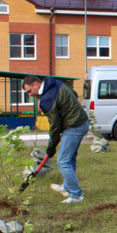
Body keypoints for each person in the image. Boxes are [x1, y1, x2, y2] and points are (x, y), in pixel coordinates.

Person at [22, 75, 89, 203]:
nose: (30, 95)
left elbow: (55, 125)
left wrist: (51, 147)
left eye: (29, 91)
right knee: (69, 158)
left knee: (63, 161)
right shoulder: (55, 83)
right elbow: (73, 94)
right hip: (79, 121)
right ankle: (68, 187)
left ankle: (76, 195)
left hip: (75, 125)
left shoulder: (47, 99)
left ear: (36, 84)